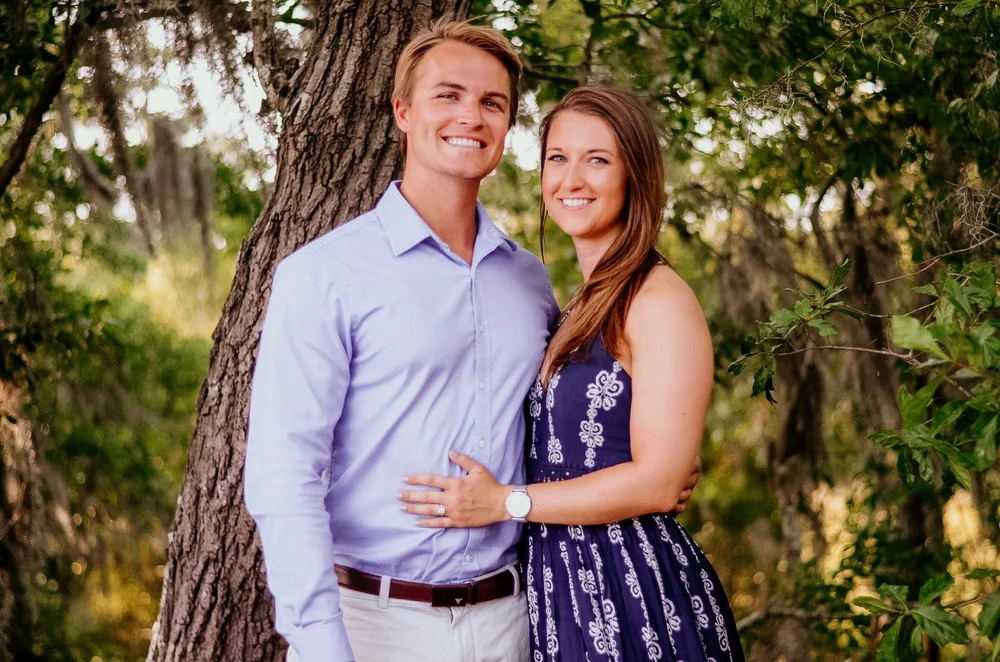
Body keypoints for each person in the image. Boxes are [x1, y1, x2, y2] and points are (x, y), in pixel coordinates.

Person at [244, 20, 702, 662]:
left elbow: (566, 425)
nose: (471, 116)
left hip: (518, 620)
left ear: (507, 125)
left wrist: (657, 468)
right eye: (448, 95)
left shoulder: (529, 281)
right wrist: (321, 644)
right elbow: (283, 471)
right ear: (403, 112)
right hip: (373, 624)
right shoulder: (324, 275)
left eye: (492, 102)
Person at [398, 87, 744, 661]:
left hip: (633, 595)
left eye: (598, 160)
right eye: (558, 158)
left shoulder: (656, 300)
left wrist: (505, 503)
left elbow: (660, 482)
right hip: (560, 590)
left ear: (635, 176)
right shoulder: (580, 301)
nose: (572, 179)